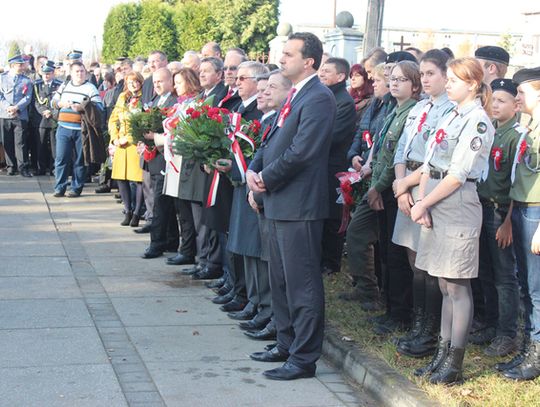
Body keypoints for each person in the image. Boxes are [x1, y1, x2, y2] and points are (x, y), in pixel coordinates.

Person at [247, 32, 336, 381]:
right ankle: (284, 343)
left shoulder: (319, 97)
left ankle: (303, 358)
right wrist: (255, 168)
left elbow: (302, 151)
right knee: (280, 280)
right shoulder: (297, 93)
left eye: (288, 54)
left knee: (302, 284)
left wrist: (266, 177)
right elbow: (272, 139)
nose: (282, 59)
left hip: (299, 205)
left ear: (308, 61)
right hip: (278, 201)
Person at [411, 57, 494, 384]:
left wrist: (424, 203)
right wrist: (422, 200)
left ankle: (454, 364)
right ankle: (441, 355)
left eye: (455, 81)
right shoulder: (451, 113)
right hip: (434, 199)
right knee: (444, 283)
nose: (448, 85)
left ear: (472, 85)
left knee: (457, 285)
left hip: (456, 203)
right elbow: (430, 162)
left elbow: (458, 174)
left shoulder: (478, 120)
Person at [391, 49, 454, 357]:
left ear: (446, 76)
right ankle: (418, 326)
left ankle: (429, 333)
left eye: (431, 74)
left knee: (429, 265)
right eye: (423, 74)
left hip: (428, 186)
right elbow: (401, 148)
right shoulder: (418, 108)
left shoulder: (448, 112)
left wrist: (407, 184)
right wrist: (401, 189)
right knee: (413, 262)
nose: (425, 79)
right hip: (408, 187)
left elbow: (437, 158)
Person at [366, 61, 421, 335]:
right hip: (386, 186)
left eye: (403, 79)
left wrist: (378, 186)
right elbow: (384, 152)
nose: (395, 83)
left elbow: (394, 159)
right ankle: (391, 309)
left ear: (415, 85)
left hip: (394, 189)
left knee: (396, 255)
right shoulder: (394, 110)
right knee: (387, 253)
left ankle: (400, 313)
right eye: (394, 79)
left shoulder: (412, 112)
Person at [471, 79, 521, 357]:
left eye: (503, 101)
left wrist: (508, 221)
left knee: (504, 276)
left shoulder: (516, 136)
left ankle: (507, 333)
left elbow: (517, 184)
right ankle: (490, 323)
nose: (496, 105)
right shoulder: (491, 131)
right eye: (494, 100)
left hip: (501, 212)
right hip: (482, 207)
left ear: (516, 104)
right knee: (486, 271)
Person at [340, 63, 392, 308]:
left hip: (378, 178)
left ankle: (370, 290)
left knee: (360, 233)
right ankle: (364, 288)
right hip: (363, 171)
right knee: (357, 233)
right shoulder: (375, 105)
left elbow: (383, 145)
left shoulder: (390, 107)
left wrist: (371, 165)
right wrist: (353, 156)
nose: (374, 84)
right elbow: (361, 134)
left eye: (377, 80)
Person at [500, 67, 540, 381]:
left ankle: (536, 355)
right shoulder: (529, 125)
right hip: (522, 207)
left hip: (537, 213)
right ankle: (527, 348)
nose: (518, 98)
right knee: (526, 285)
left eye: (523, 92)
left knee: (537, 290)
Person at [223, 61, 267, 320]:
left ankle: (259, 303)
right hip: (241, 180)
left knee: (253, 247)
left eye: (242, 78)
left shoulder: (261, 116)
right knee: (244, 244)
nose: (237, 82)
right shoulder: (240, 108)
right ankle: (251, 298)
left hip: (254, 183)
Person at [318, 57, 357, 275]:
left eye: (327, 71)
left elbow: (333, 135)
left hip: (334, 167)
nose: (322, 74)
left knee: (334, 216)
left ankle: (331, 262)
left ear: (341, 76)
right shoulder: (327, 96)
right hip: (321, 166)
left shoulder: (343, 101)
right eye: (321, 71)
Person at [165, 68, 203, 267]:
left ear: (189, 82)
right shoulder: (179, 103)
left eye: (179, 83)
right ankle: (186, 248)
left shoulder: (197, 103)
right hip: (176, 160)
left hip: (188, 163)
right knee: (181, 208)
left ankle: (192, 251)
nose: (175, 87)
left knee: (189, 210)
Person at [140, 67, 179, 258]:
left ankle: (157, 243)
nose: (157, 85)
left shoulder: (173, 101)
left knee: (161, 203)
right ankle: (170, 240)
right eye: (154, 82)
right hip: (154, 157)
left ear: (171, 82)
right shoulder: (155, 100)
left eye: (161, 81)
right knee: (163, 201)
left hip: (166, 158)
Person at [51, 61, 103, 197]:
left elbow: (99, 107)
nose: (80, 74)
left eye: (82, 71)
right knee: (61, 158)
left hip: (82, 129)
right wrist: (61, 103)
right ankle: (59, 187)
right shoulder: (64, 85)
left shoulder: (91, 88)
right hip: (63, 128)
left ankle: (76, 188)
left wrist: (82, 107)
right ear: (71, 73)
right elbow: (53, 102)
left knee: (80, 160)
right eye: (77, 71)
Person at [108, 72, 145, 226]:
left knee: (137, 180)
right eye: (130, 82)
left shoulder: (145, 97)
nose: (133, 84)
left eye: (136, 81)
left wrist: (129, 139)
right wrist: (115, 138)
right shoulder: (123, 97)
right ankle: (127, 210)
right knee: (121, 178)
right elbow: (113, 119)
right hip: (120, 144)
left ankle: (137, 212)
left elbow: (143, 123)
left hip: (134, 144)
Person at [0, 55, 33, 177]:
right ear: (13, 65)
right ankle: (11, 166)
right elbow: (0, 96)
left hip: (20, 115)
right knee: (7, 142)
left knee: (20, 143)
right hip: (5, 114)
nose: (23, 66)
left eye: (23, 64)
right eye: (20, 64)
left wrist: (16, 107)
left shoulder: (26, 80)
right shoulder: (2, 78)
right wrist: (7, 107)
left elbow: (28, 97)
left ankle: (22, 167)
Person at [32, 60, 63, 176]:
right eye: (44, 73)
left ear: (53, 73)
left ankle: (54, 168)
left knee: (55, 146)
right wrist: (43, 111)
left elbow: (60, 101)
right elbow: (35, 102)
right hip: (41, 119)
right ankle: (41, 168)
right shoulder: (37, 85)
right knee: (41, 145)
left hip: (54, 118)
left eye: (48, 73)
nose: (46, 75)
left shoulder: (59, 85)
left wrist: (51, 112)